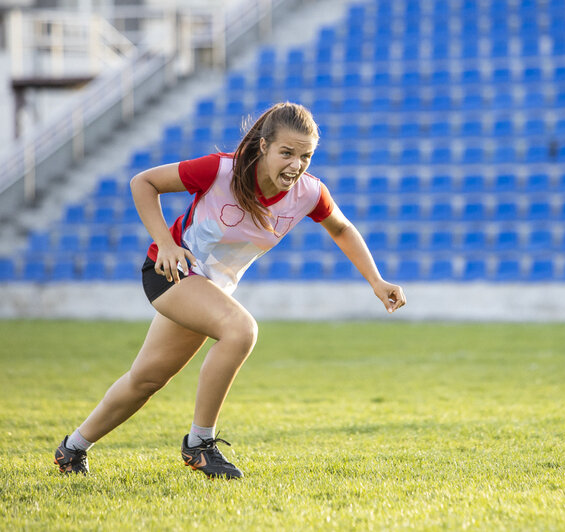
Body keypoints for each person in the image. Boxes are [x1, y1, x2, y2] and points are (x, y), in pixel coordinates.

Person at [53, 102, 406, 479]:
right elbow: (143, 182)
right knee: (241, 330)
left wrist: (377, 281)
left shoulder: (309, 192)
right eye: (286, 152)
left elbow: (341, 228)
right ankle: (199, 444)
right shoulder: (220, 169)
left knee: (146, 380)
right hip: (171, 272)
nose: (296, 164)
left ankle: (71, 450)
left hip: (210, 289)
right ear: (263, 146)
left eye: (305, 156)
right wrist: (166, 244)